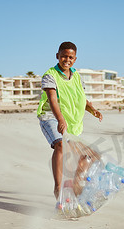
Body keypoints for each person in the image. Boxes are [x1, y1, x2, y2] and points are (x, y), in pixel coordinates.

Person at [37, 41, 103, 199]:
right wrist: (60, 119)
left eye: (71, 57)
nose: (67, 60)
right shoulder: (50, 75)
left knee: (91, 156)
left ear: (75, 59)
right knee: (60, 145)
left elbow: (79, 98)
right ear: (57, 56)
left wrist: (92, 109)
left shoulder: (77, 76)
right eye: (64, 56)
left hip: (70, 121)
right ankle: (58, 187)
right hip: (51, 117)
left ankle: (77, 186)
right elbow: (53, 100)